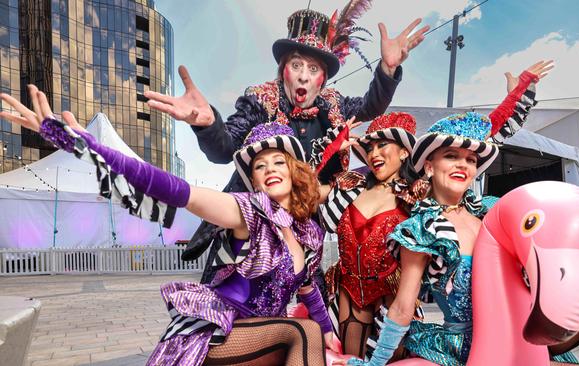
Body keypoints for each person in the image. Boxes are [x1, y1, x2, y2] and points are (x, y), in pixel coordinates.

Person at [341, 61, 579, 366]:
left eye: (471, 159)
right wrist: (373, 364)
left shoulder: (493, 209)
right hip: (474, 345)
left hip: (529, 325)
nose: (463, 165)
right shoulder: (422, 228)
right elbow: (403, 306)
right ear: (431, 166)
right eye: (452, 156)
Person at [0, 86, 335, 366]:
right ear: (254, 179)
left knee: (309, 332)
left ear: (295, 172)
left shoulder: (308, 234)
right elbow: (174, 190)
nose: (270, 168)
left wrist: (332, 336)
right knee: (300, 331)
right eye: (259, 165)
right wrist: (81, 144)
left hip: (262, 336)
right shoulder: (247, 210)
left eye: (279, 161)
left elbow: (310, 293)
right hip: (217, 334)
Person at [143, 3, 430, 284]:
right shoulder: (260, 100)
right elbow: (224, 149)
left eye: (313, 68)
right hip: (253, 223)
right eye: (296, 65)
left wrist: (387, 70)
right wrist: (206, 123)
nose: (304, 75)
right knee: (226, 300)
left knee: (313, 302)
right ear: (284, 71)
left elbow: (370, 106)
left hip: (305, 225)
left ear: (322, 79)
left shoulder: (334, 105)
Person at [318, 111, 424, 359]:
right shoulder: (350, 187)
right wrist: (328, 151)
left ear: (404, 151)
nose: (374, 153)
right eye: (370, 147)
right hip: (349, 291)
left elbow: (458, 160)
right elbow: (301, 190)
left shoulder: (418, 195)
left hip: (393, 297)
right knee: (348, 361)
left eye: (382, 145)